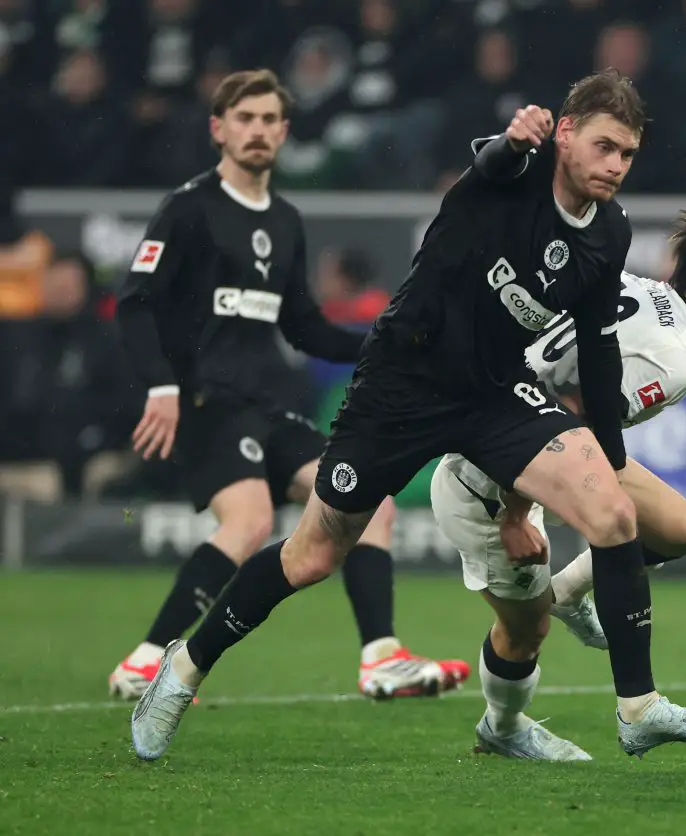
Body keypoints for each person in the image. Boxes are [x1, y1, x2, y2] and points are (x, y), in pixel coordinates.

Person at [130, 68, 686, 762]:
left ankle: (639, 707)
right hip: (403, 383)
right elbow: (490, 162)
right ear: (564, 134)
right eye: (604, 147)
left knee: (614, 514)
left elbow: (598, 349)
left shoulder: (610, 231)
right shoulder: (515, 171)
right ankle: (183, 668)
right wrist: (514, 141)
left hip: (493, 391)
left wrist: (607, 457)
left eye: (627, 155)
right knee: (313, 554)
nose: (615, 167)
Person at [112, 69, 467, 706]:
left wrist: (388, 347)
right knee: (248, 521)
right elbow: (135, 303)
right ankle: (144, 660)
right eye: (244, 118)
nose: (258, 130)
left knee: (370, 507)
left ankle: (381, 658)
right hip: (206, 402)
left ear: (285, 132)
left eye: (270, 119)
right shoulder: (189, 208)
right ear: (218, 129)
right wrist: (160, 387)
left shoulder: (284, 220)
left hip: (269, 406)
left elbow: (302, 327)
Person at [433, 205, 686, 760]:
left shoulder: (636, 287)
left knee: (680, 528)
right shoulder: (674, 360)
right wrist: (510, 514)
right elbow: (555, 416)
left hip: (542, 447)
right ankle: (502, 729)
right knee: (524, 633)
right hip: (485, 477)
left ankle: (571, 593)